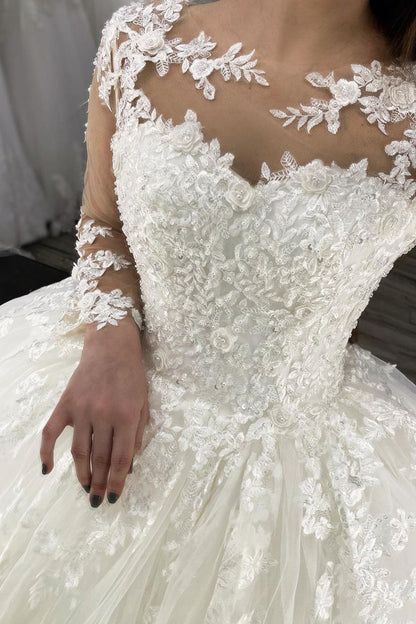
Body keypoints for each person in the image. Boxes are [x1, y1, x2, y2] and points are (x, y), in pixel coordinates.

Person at [1, 0, 416, 621]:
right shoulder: (142, 39)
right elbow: (103, 221)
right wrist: (109, 342)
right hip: (101, 399)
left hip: (295, 481)